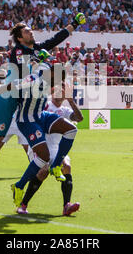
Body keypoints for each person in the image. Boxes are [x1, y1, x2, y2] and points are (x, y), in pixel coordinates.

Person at [0, 13, 86, 190]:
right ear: (20, 38)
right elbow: (23, 75)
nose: (31, 32)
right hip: (6, 99)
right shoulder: (19, 51)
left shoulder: (37, 48)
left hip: (16, 102)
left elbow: (57, 38)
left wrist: (74, 24)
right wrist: (38, 61)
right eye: (27, 31)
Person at [0, 61, 79, 211]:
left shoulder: (49, 81)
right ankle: (19, 187)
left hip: (41, 116)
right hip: (27, 120)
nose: (57, 83)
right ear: (52, 73)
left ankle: (55, 168)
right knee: (44, 157)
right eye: (58, 79)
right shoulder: (34, 80)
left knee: (71, 130)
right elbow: (10, 85)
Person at [17, 82, 83, 216]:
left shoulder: (65, 110)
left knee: (67, 167)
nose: (59, 94)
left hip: (57, 148)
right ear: (52, 92)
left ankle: (67, 206)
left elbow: (79, 118)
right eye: (57, 91)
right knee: (43, 172)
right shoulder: (45, 105)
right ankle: (23, 205)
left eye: (62, 92)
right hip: (39, 144)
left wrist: (71, 101)